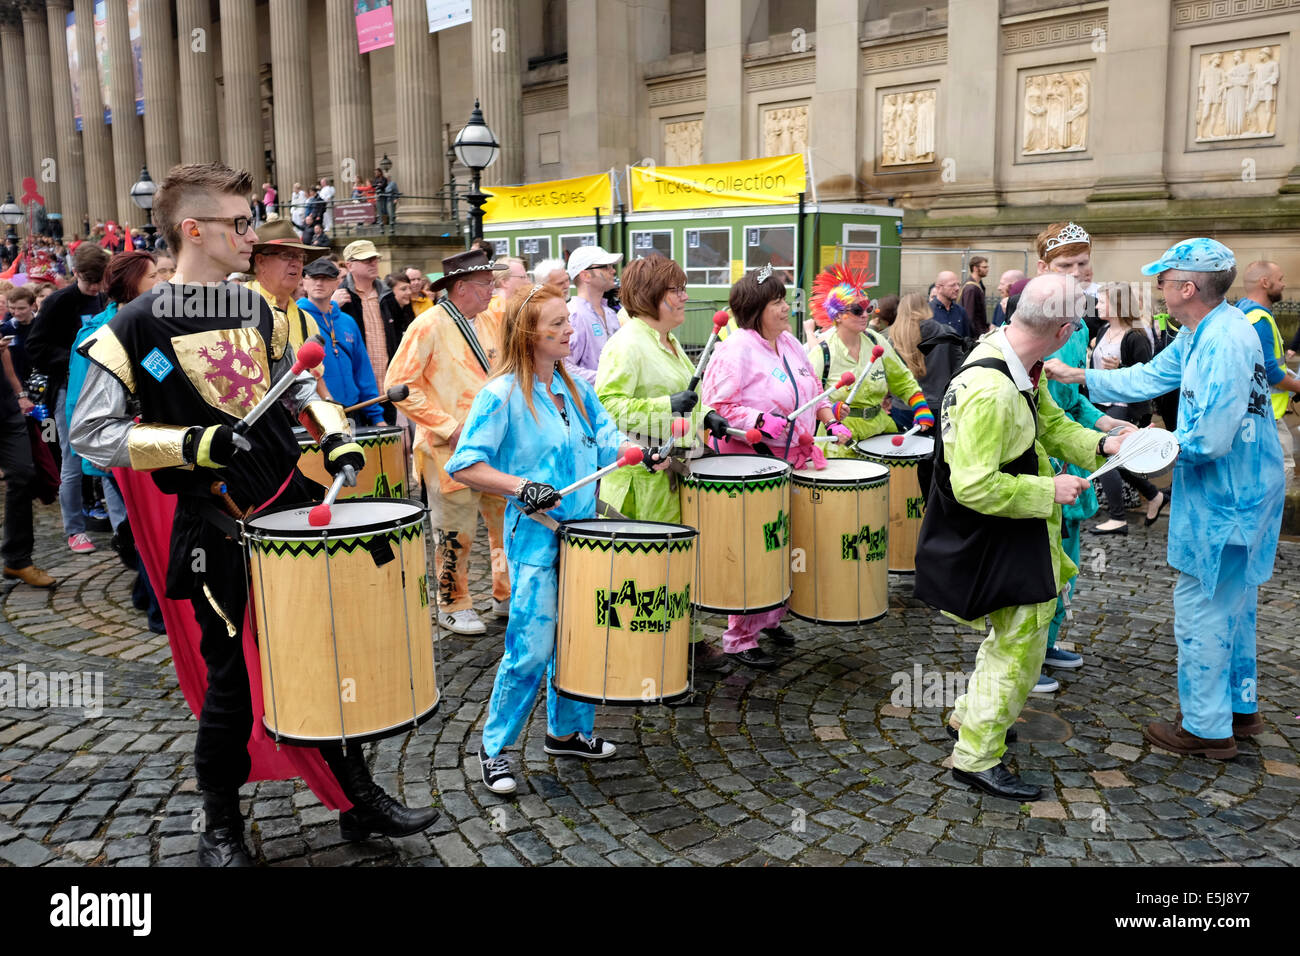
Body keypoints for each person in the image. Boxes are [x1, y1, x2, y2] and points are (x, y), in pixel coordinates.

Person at [70, 162, 437, 866]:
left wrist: (334, 435)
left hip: (294, 513)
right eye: (239, 223)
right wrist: (187, 442)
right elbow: (91, 431)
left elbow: (297, 386)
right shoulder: (131, 327)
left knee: (329, 656)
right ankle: (221, 824)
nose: (250, 234)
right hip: (217, 524)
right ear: (193, 230)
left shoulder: (256, 311)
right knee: (232, 681)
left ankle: (355, 796)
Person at [1046, 238, 1285, 759]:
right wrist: (1081, 375)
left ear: (1187, 287)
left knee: (1202, 606)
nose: (1156, 287)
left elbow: (1211, 440)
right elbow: (1150, 376)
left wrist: (1146, 445)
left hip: (1231, 497)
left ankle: (1205, 728)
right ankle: (1239, 709)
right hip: (1236, 490)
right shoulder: (1204, 329)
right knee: (1234, 603)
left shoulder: (1225, 341)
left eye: (1163, 279)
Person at [915, 273, 1128, 800]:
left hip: (1013, 526)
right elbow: (972, 485)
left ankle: (971, 715)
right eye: (1077, 323)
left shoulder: (1013, 357)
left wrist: (1106, 446)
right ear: (1061, 330)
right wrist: (1047, 489)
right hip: (999, 528)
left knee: (1012, 635)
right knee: (1023, 641)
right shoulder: (992, 390)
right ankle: (976, 755)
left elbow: (1050, 427)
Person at [447, 283, 654, 794]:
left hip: (588, 538)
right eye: (558, 324)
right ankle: (494, 748)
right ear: (528, 334)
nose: (570, 330)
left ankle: (566, 731)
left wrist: (641, 448)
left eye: (569, 320)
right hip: (537, 539)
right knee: (531, 650)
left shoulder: (578, 389)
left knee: (580, 642)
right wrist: (522, 486)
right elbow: (465, 464)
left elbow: (607, 436)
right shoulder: (501, 396)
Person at [701, 266, 852, 669]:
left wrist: (831, 418)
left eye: (785, 300)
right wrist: (760, 422)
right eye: (777, 302)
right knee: (757, 549)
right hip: (755, 468)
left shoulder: (788, 342)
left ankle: (769, 617)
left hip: (794, 459)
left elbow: (813, 391)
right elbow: (715, 407)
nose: (786, 308)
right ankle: (738, 637)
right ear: (755, 309)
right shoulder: (734, 349)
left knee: (784, 543)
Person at [385, 249, 511, 636]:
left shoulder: (490, 319)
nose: (493, 290)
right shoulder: (428, 325)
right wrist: (450, 427)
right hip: (448, 450)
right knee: (454, 532)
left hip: (493, 446)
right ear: (461, 287)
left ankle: (505, 593)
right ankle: (452, 603)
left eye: (493, 282)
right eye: (486, 283)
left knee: (504, 523)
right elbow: (398, 388)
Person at [65, 250, 165, 632]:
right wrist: (95, 456)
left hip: (154, 443)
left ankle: (144, 592)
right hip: (121, 451)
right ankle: (158, 612)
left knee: (149, 527)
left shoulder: (155, 324)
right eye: (154, 275)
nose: (162, 282)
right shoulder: (97, 335)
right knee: (146, 530)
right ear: (130, 284)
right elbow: (79, 402)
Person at [594, 253, 728, 528]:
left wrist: (705, 416)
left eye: (684, 289)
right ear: (649, 294)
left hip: (671, 477)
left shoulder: (670, 341)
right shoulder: (626, 344)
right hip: (639, 485)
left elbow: (684, 399)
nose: (685, 297)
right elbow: (606, 408)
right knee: (641, 570)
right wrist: (667, 405)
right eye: (676, 290)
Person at [25, 241, 110, 554]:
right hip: (67, 389)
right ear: (75, 273)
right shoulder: (59, 302)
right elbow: (36, 348)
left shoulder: (104, 297)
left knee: (109, 461)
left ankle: (118, 525)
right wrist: (72, 362)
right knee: (72, 460)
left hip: (103, 389)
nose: (94, 288)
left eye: (99, 281)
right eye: (88, 282)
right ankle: (75, 529)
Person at [806, 264, 934, 452]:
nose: (866, 314)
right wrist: (830, 413)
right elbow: (807, 399)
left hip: (879, 432)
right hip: (840, 440)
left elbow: (902, 379)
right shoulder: (822, 353)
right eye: (858, 310)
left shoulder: (876, 341)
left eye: (869, 307)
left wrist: (920, 406)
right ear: (838, 315)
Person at [1088, 282, 1167, 535]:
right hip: (1101, 402)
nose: (1097, 305)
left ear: (1118, 304)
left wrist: (1120, 369)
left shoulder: (1135, 336)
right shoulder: (1102, 331)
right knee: (1117, 458)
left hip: (1124, 407)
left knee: (1106, 457)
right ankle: (1153, 495)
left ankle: (1118, 518)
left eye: (1101, 301)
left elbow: (1147, 377)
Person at [297, 257, 385, 431]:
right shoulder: (296, 318)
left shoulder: (347, 321)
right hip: (314, 414)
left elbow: (362, 370)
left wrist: (376, 417)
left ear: (338, 282)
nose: (319, 283)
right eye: (314, 278)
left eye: (326, 278)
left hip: (352, 411)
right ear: (304, 282)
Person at [1236, 260, 1299, 485]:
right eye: (1280, 279)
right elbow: (1269, 370)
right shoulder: (1260, 319)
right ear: (1265, 282)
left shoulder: (1243, 310)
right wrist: (1297, 386)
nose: (1283, 284)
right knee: (1282, 466)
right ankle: (1279, 518)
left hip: (1257, 408)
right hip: (1267, 410)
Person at [337, 240, 402, 419]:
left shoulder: (387, 296)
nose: (373, 263)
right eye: (366, 260)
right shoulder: (340, 298)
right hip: (356, 394)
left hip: (387, 390)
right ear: (349, 265)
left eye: (375, 259)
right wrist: (332, 305)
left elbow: (398, 339)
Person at [245, 218, 321, 352]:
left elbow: (317, 371)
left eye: (300, 257)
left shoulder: (307, 321)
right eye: (287, 255)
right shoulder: (235, 309)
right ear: (261, 261)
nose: (296, 263)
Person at [564, 246, 622, 384]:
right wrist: (607, 379)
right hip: (587, 402)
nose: (613, 270)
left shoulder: (610, 313)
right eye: (605, 267)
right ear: (585, 276)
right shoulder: (574, 315)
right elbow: (564, 368)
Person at [929, 270, 969, 339]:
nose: (957, 288)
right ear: (939, 288)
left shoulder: (961, 311)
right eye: (952, 285)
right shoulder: (927, 312)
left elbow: (967, 339)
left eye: (958, 285)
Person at [960, 255, 990, 337]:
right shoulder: (971, 288)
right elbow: (969, 316)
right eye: (984, 267)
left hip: (980, 332)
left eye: (987, 267)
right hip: (975, 335)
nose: (987, 269)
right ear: (975, 268)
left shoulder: (978, 285)